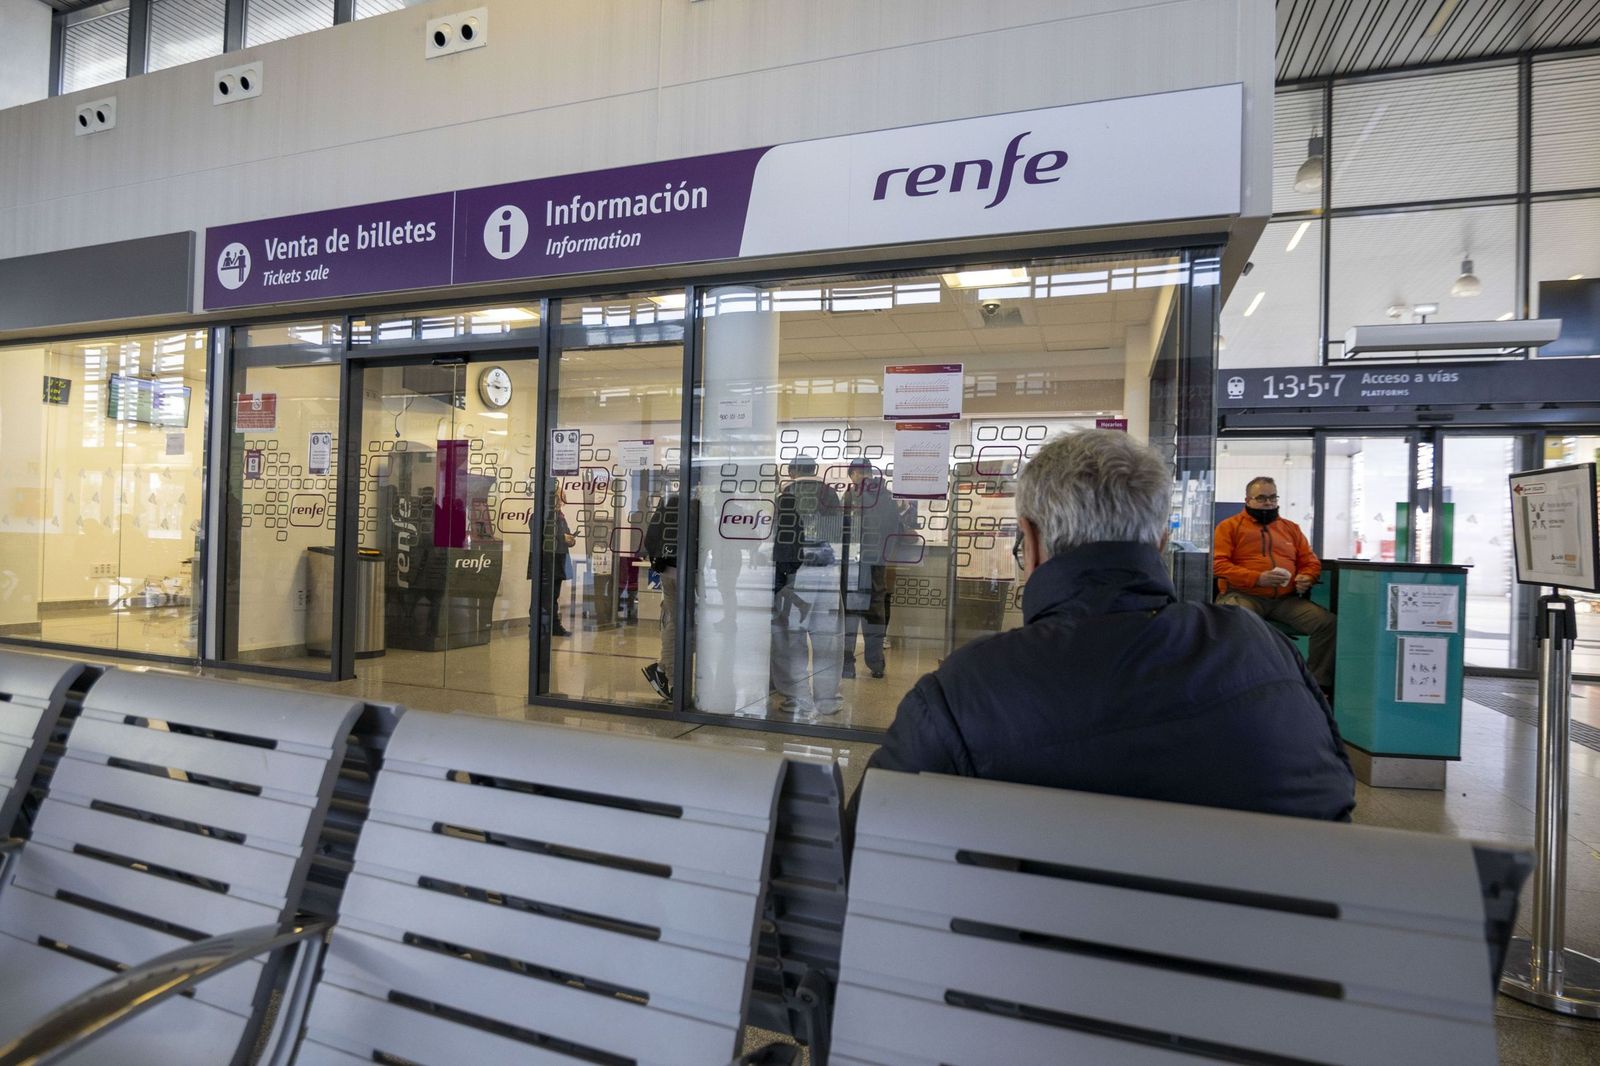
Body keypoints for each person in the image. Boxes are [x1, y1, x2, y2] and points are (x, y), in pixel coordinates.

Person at [856, 430, 1354, 822]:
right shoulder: (1264, 653)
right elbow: (1332, 808)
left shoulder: (964, 689)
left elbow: (863, 849)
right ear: (1159, 543)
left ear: (1028, 541)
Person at [1213, 476, 1336, 692]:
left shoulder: (1291, 529)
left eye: (1272, 497)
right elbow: (1217, 565)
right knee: (1240, 620)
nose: (1268, 502)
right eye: (1261, 497)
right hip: (1242, 594)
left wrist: (1307, 577)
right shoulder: (1229, 527)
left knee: (1327, 624)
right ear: (1247, 500)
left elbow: (1310, 561)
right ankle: (1242, 683)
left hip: (1284, 599)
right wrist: (1256, 578)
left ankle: (1317, 686)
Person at [771, 457, 845, 718]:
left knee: (791, 636)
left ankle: (798, 698)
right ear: (815, 470)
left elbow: (780, 537)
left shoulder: (786, 495)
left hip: (796, 573)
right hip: (827, 569)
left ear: (791, 471)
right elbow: (839, 534)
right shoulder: (831, 495)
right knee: (828, 637)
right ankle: (827, 699)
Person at [842, 459, 896, 680]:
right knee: (874, 612)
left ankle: (848, 665)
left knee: (852, 613)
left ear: (855, 473)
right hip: (875, 562)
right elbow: (894, 528)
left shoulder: (854, 495)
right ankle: (876, 665)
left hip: (857, 562)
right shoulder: (886, 496)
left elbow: (843, 528)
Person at [641, 491, 697, 701]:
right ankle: (669, 673)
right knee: (688, 625)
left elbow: (650, 540)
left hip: (668, 573)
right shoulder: (695, 507)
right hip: (688, 574)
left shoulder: (668, 504)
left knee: (676, 622)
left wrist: (660, 560)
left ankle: (666, 670)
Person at [540, 480, 576, 637]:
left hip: (559, 560)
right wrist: (563, 538)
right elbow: (548, 536)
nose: (561, 503)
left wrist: (570, 539)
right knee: (546, 595)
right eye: (560, 499)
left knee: (553, 595)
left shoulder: (560, 517)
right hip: (548, 561)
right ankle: (546, 625)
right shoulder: (544, 516)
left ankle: (553, 625)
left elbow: (566, 535)